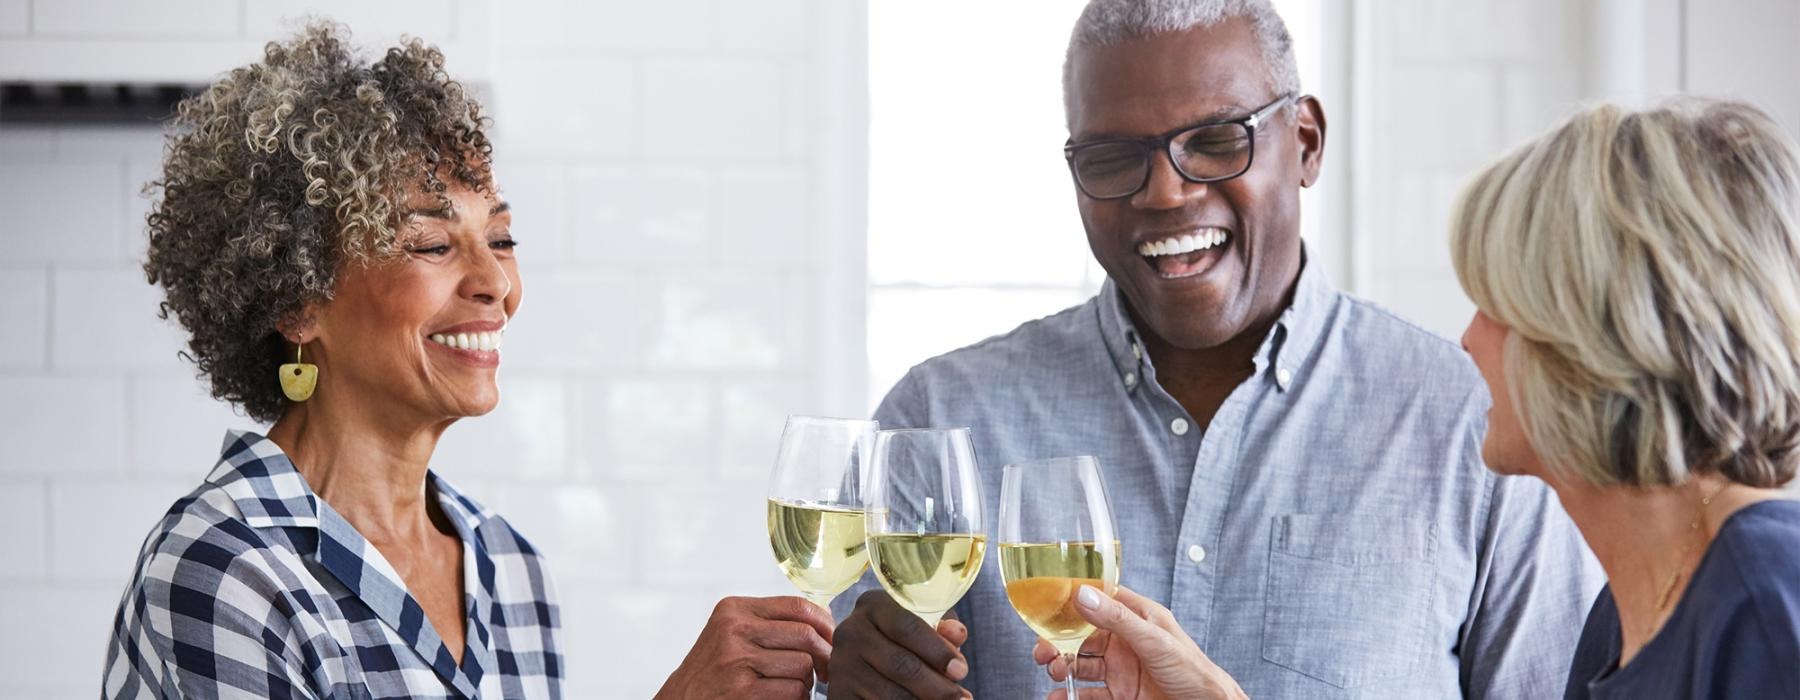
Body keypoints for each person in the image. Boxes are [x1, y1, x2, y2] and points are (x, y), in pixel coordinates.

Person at [826, 1, 1601, 697]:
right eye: (1112, 157)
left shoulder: (1476, 419)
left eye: (1216, 140)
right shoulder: (941, 418)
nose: (1164, 192)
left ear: (1305, 144)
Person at [101, 23, 832, 699]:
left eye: (503, 239)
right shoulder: (227, 571)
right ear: (298, 300)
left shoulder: (511, 571)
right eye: (432, 244)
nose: (495, 284)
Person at [1450, 98, 1800, 699]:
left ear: (1588, 335)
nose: (1468, 339)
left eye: (1495, 307)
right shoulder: (1621, 614)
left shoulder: (1765, 597)